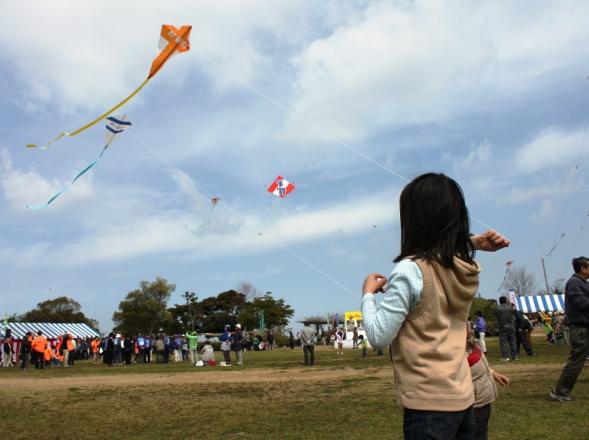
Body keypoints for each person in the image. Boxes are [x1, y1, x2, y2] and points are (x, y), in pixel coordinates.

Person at [361, 173, 509, 439]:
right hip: (464, 398)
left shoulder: (409, 270)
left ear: (414, 220)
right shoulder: (462, 267)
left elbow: (379, 336)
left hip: (427, 406)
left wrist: (368, 295)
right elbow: (443, 255)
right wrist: (471, 242)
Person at [550, 256, 589, 402]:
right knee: (576, 362)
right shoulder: (574, 283)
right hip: (580, 329)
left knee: (577, 360)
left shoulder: (583, 283)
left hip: (585, 327)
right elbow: (580, 302)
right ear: (583, 268)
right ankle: (560, 391)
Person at [466, 324, 510, 440]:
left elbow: (482, 365)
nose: (471, 330)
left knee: (482, 432)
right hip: (473, 404)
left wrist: (493, 373)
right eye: (467, 328)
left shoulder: (471, 344)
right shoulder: (455, 353)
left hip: (483, 401)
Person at [496, 297, 517, 361]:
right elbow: (515, 311)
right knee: (513, 342)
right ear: (505, 301)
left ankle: (505, 357)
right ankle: (515, 356)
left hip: (502, 328)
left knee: (504, 343)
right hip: (511, 327)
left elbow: (496, 316)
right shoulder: (510, 308)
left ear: (500, 301)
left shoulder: (498, 308)